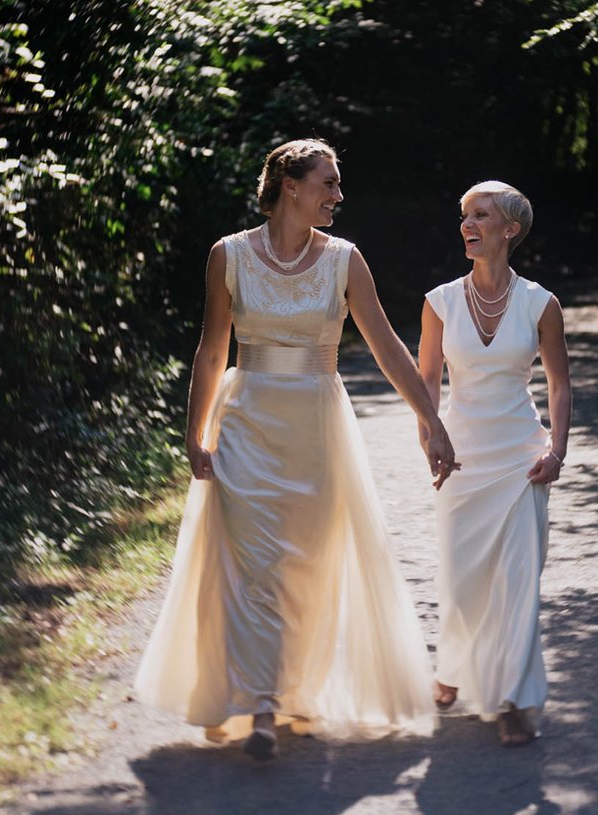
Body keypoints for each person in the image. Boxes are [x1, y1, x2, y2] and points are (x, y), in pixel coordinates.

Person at [134, 139, 456, 760]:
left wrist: (431, 422)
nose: (338, 195)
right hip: (247, 422)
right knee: (256, 566)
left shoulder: (345, 260)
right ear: (290, 184)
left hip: (317, 427)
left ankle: (292, 691)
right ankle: (258, 707)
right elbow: (211, 348)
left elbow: (387, 346)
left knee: (303, 569)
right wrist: (193, 432)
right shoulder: (227, 256)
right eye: (328, 183)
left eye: (337, 184)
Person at [416, 180, 571, 747]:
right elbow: (427, 380)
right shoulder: (439, 301)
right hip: (462, 458)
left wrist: (556, 450)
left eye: (480, 215)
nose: (467, 225)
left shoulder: (541, 303)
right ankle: (452, 666)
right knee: (461, 581)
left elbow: (559, 385)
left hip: (522, 459)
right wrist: (430, 437)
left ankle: (511, 700)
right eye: (463, 216)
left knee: (517, 583)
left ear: (510, 229)